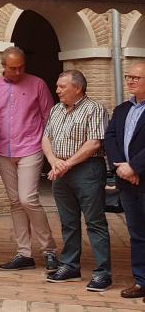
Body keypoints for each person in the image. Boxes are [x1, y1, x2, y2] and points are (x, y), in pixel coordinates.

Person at [0, 46, 59, 272]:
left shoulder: (37, 84)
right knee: (15, 201)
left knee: (28, 199)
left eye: (21, 67)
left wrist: (51, 152)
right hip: (2, 150)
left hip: (31, 147)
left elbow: (50, 116)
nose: (18, 72)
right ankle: (24, 253)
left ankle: (49, 250)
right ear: (3, 66)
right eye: (12, 68)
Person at [43, 70, 111, 292]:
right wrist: (54, 161)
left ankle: (103, 273)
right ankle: (70, 266)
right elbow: (46, 138)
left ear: (78, 88)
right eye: (58, 86)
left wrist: (67, 164)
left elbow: (94, 143)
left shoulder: (95, 109)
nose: (58, 90)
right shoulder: (56, 109)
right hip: (60, 169)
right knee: (68, 221)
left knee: (95, 222)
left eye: (62, 87)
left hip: (87, 170)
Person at [104, 62, 145, 302]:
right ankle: (141, 280)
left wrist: (135, 166)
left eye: (136, 78)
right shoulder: (122, 109)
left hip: (141, 175)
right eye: (128, 77)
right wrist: (121, 166)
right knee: (137, 233)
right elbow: (110, 137)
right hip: (127, 181)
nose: (130, 81)